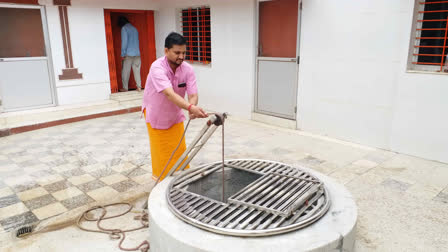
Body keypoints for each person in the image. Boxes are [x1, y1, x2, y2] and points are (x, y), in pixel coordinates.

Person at [142, 32, 208, 181]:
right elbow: (169, 94)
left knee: (179, 148)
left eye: (184, 52)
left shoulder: (188, 69)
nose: (181, 56)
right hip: (156, 114)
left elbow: (193, 93)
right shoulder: (157, 67)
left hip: (175, 113)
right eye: (177, 52)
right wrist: (190, 108)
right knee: (162, 152)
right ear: (166, 51)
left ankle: (178, 180)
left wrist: (192, 105)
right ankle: (162, 182)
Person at [118, 16, 142, 92]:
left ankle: (125, 88)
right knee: (137, 70)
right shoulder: (135, 29)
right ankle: (139, 87)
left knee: (125, 71)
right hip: (137, 53)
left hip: (128, 54)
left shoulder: (124, 28)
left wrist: (122, 54)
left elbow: (124, 42)